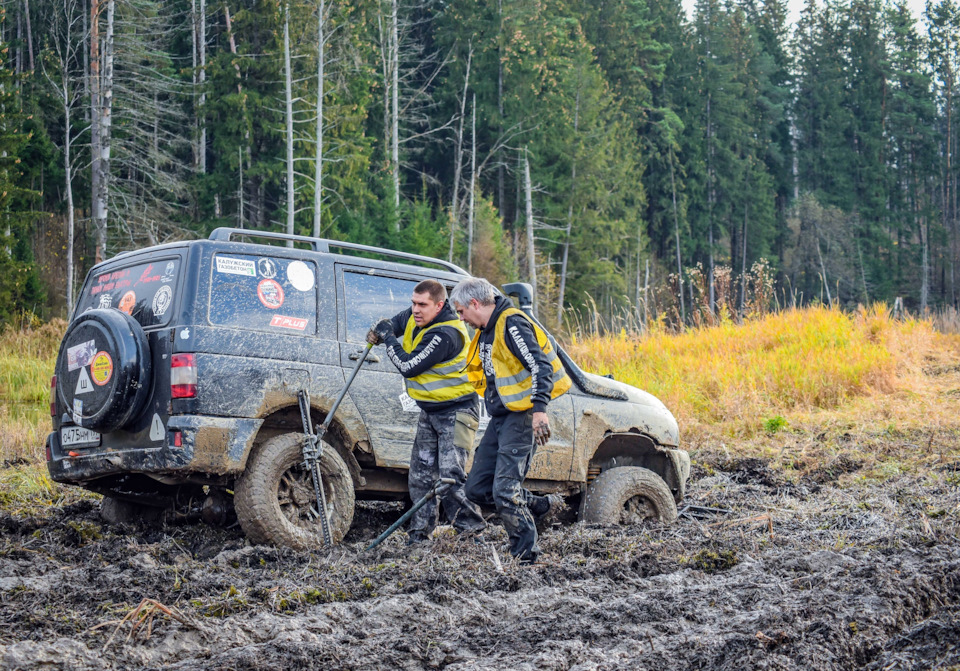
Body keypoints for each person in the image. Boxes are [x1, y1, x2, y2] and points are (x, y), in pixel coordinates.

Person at [450, 277, 571, 564]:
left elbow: (539, 365)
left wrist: (539, 410)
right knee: (477, 489)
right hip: (501, 418)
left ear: (475, 304)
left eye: (461, 311)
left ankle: (526, 557)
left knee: (504, 491)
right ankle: (539, 506)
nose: (461, 318)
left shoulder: (511, 323)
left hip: (523, 415)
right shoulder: (486, 330)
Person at [367, 279, 486, 544]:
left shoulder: (446, 334)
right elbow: (392, 325)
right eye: (413, 303)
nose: (415, 310)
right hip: (430, 411)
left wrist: (387, 340)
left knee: (450, 480)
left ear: (439, 305)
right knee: (420, 478)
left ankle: (473, 535)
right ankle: (418, 538)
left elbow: (408, 366)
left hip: (457, 412)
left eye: (422, 305)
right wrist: (379, 329)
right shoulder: (415, 316)